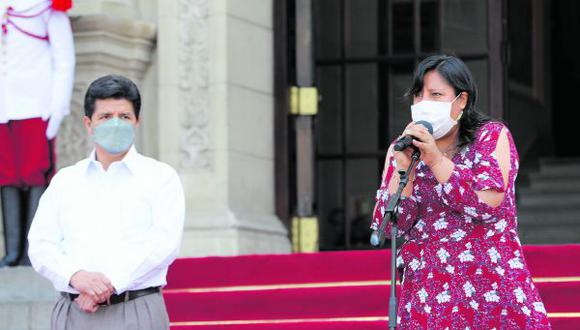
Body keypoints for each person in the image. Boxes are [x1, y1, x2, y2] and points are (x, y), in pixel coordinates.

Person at [371, 55, 551, 329]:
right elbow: (390, 225)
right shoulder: (402, 149)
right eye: (418, 95)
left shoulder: (491, 136)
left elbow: (487, 203)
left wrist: (435, 160)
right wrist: (405, 170)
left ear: (462, 101)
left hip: (489, 288)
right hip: (427, 294)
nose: (423, 104)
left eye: (436, 95)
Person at [28, 75, 185, 330]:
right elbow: (41, 244)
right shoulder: (65, 181)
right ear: (89, 124)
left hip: (136, 309)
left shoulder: (161, 177)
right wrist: (76, 276)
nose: (115, 124)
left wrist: (108, 284)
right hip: (73, 310)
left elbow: (163, 244)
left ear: (137, 122)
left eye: (124, 117)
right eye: (105, 117)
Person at [0, 0, 75, 267]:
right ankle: (12, 252)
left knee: (35, 175)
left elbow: (64, 59)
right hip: (4, 107)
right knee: (6, 176)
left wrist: (57, 109)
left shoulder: (47, 7)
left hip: (36, 104)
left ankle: (34, 251)